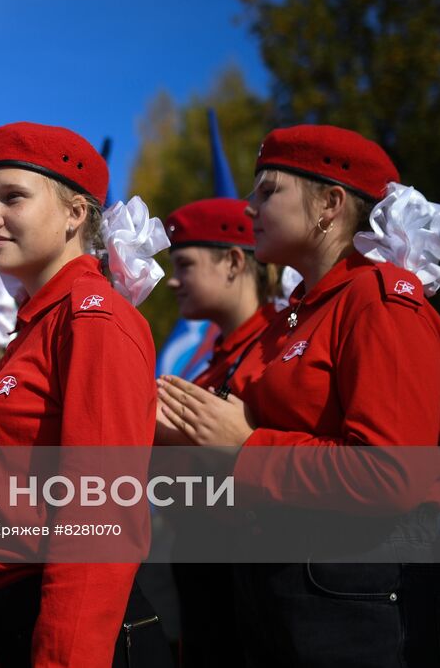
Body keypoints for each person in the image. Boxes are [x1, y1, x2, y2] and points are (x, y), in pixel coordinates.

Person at [156, 124, 440, 668]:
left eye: (268, 191)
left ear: (330, 204)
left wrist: (246, 447)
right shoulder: (305, 313)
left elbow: (391, 473)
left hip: (365, 594)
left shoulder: (379, 301)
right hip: (299, 588)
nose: (250, 208)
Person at [0, 122, 170, 668]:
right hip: (17, 617)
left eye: (12, 198)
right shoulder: (42, 323)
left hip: (71, 627)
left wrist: (64, 656)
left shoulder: (91, 319)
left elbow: (100, 511)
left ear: (76, 214)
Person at [154, 197, 275, 668]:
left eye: (185, 264)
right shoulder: (217, 362)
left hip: (251, 572)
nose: (172, 280)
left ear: (233, 262)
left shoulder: (275, 354)